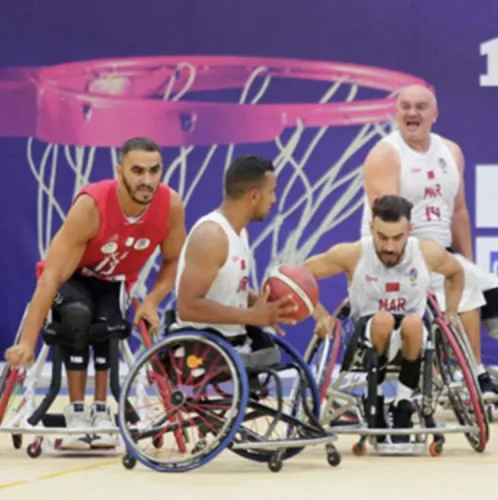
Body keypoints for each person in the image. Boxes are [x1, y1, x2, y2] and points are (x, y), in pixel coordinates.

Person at [4, 137, 187, 450]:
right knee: (78, 312)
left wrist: (152, 301)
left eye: (154, 170)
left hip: (113, 281)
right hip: (70, 277)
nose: (147, 180)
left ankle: (101, 410)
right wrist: (26, 342)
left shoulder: (169, 205)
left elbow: (172, 262)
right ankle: (76, 409)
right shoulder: (91, 206)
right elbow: (51, 277)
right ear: (120, 171)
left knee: (109, 321)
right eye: (138, 171)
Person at [360, 83, 498, 399]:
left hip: (439, 250)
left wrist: (466, 259)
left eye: (420, 107)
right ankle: (475, 375)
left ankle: (456, 361)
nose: (412, 113)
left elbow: (458, 211)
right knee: (463, 285)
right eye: (405, 107)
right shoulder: (385, 154)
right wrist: (425, 258)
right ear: (396, 112)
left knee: (497, 293)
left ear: (435, 114)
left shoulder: (451, 152)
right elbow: (386, 221)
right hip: (398, 253)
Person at [302, 195, 465, 443]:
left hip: (412, 337)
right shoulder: (353, 253)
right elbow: (298, 275)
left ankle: (403, 403)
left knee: (412, 322)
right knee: (383, 319)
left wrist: (451, 311)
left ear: (410, 230)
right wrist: (321, 315)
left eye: (397, 238)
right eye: (382, 237)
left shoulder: (427, 253)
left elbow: (456, 272)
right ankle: (373, 399)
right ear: (371, 229)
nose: (389, 246)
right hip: (366, 338)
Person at [171, 155, 298, 359]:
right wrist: (252, 315)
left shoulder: (239, 232)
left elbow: (226, 288)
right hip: (201, 347)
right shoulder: (211, 236)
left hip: (232, 342)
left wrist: (262, 303)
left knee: (272, 356)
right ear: (254, 196)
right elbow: (187, 307)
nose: (274, 199)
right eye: (272, 192)